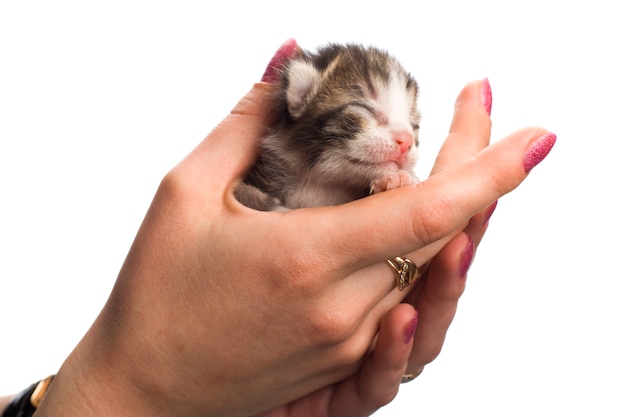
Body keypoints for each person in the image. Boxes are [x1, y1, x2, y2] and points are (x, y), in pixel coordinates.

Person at [1, 39, 555, 417]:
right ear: (300, 101)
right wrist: (128, 385)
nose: (405, 139)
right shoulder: (248, 196)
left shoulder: (381, 194)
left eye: (411, 122)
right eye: (368, 112)